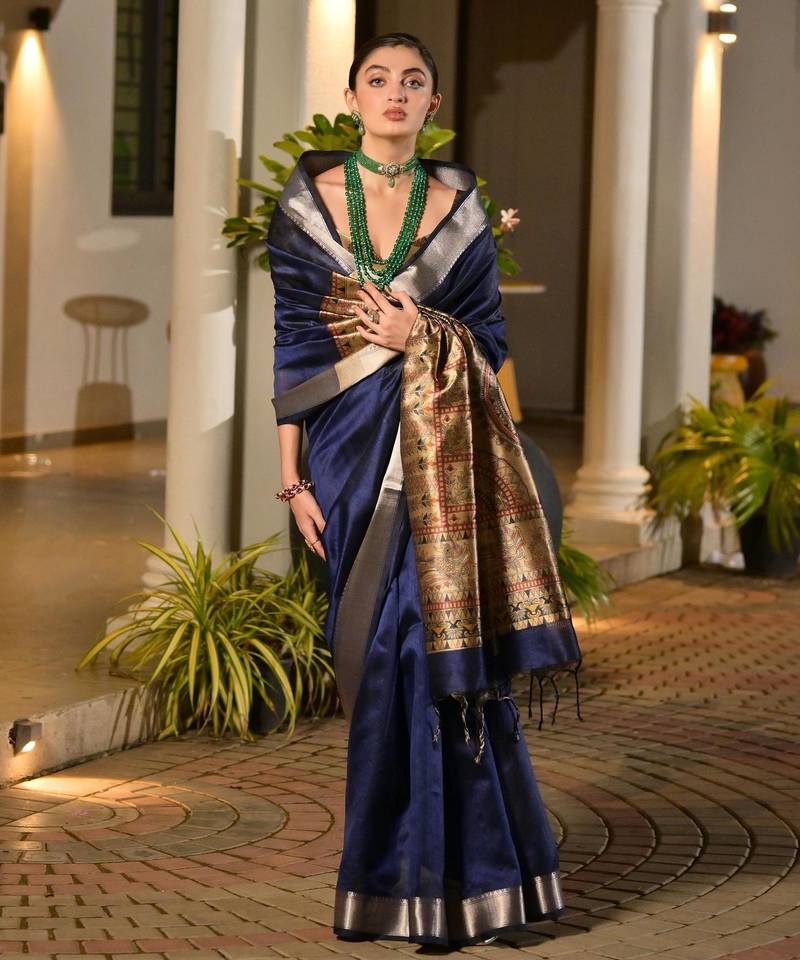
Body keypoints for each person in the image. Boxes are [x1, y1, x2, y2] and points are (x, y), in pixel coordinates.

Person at [266, 32, 583, 948]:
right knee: (377, 663)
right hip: (345, 457)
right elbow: (295, 344)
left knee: (434, 656)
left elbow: (488, 341)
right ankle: (397, 877)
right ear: (353, 97)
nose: (395, 93)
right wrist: (292, 479)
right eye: (378, 80)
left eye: (413, 82)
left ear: (433, 104)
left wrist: (423, 338)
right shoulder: (308, 208)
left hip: (440, 462)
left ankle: (465, 881)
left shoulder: (460, 210)